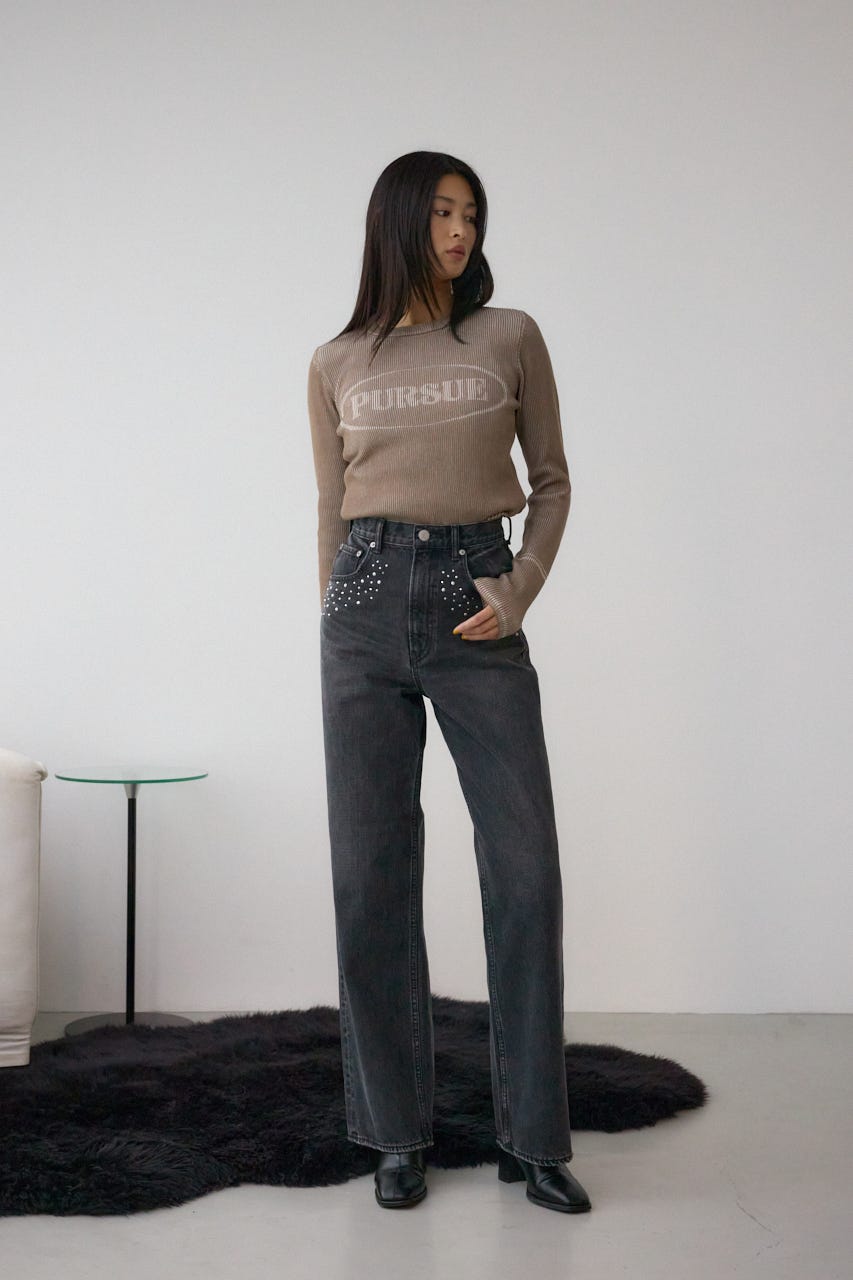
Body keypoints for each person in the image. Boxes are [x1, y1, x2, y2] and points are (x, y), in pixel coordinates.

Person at [307, 150, 591, 1215]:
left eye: (470, 212)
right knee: (370, 879)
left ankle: (534, 1137)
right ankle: (395, 1134)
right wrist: (337, 619)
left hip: (477, 595)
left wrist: (518, 590)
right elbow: (329, 507)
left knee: (525, 873)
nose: (460, 230)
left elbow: (552, 481)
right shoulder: (335, 360)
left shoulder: (508, 336)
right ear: (398, 223)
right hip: (364, 602)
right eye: (439, 213)